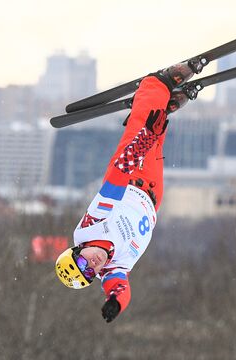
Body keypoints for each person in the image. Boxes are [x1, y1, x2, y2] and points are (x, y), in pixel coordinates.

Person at [55, 62, 195, 322]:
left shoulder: (89, 229)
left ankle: (156, 85)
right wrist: (114, 304)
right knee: (157, 135)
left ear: (77, 251)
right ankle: (161, 109)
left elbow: (118, 176)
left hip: (129, 176)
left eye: (83, 263)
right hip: (153, 196)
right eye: (89, 274)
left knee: (143, 127)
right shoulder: (113, 269)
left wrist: (142, 140)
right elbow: (119, 289)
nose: (92, 265)